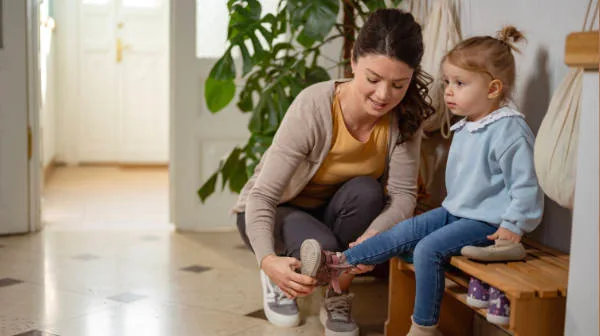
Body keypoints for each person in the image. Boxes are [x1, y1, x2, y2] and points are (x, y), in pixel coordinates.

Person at [300, 26, 544, 336]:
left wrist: (514, 225)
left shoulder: (508, 129)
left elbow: (525, 184)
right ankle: (337, 263)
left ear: (493, 88)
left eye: (459, 83)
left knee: (427, 249)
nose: (448, 92)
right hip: (457, 212)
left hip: (488, 222)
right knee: (403, 231)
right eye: (446, 82)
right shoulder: (469, 124)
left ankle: (423, 328)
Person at [232, 8, 434, 336]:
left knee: (368, 193)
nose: (384, 95)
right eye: (373, 79)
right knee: (322, 241)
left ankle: (336, 291)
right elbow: (264, 195)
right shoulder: (314, 106)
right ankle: (278, 275)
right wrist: (267, 260)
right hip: (276, 210)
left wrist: (374, 236)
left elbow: (402, 196)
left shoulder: (405, 116)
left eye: (399, 84)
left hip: (333, 213)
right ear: (353, 62)